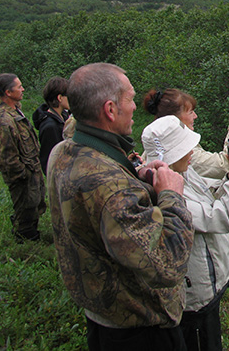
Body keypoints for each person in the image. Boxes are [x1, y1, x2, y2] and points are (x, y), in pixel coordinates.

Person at [47, 63, 194, 351]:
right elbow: (168, 264)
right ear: (110, 110)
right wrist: (171, 195)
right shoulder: (111, 186)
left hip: (102, 313)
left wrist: (133, 173)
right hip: (140, 328)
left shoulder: (63, 152)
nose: (135, 106)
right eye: (129, 99)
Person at [141, 115, 229, 351]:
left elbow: (206, 194)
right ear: (171, 156)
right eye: (186, 148)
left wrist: (228, 177)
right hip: (194, 300)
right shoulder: (166, 195)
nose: (192, 152)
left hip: (205, 288)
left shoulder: (180, 172)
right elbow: (222, 217)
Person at [0, 73, 46, 243]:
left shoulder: (15, 109)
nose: (22, 89)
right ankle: (25, 241)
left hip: (30, 169)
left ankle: (29, 233)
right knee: (25, 208)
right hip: (22, 176)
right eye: (19, 86)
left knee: (34, 206)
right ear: (8, 92)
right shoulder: (2, 119)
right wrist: (22, 175)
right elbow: (6, 155)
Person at [143, 88, 229, 178]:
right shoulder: (180, 153)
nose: (195, 116)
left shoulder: (157, 145)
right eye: (190, 112)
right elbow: (223, 165)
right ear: (174, 120)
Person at [32, 76, 70, 175]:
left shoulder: (63, 116)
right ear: (60, 98)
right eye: (68, 95)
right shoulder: (50, 127)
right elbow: (48, 161)